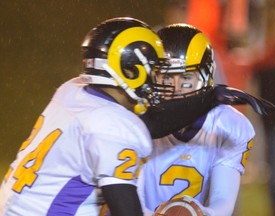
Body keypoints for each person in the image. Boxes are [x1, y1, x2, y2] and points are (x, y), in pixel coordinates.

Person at [0, 17, 167, 216]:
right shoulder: (115, 125)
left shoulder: (71, 90)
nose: (158, 79)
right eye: (154, 70)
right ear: (131, 71)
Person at [138, 24, 256, 216]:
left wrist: (199, 213)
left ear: (205, 77)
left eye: (185, 77)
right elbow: (127, 202)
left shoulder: (229, 125)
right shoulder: (133, 120)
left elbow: (222, 204)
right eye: (166, 77)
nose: (175, 87)